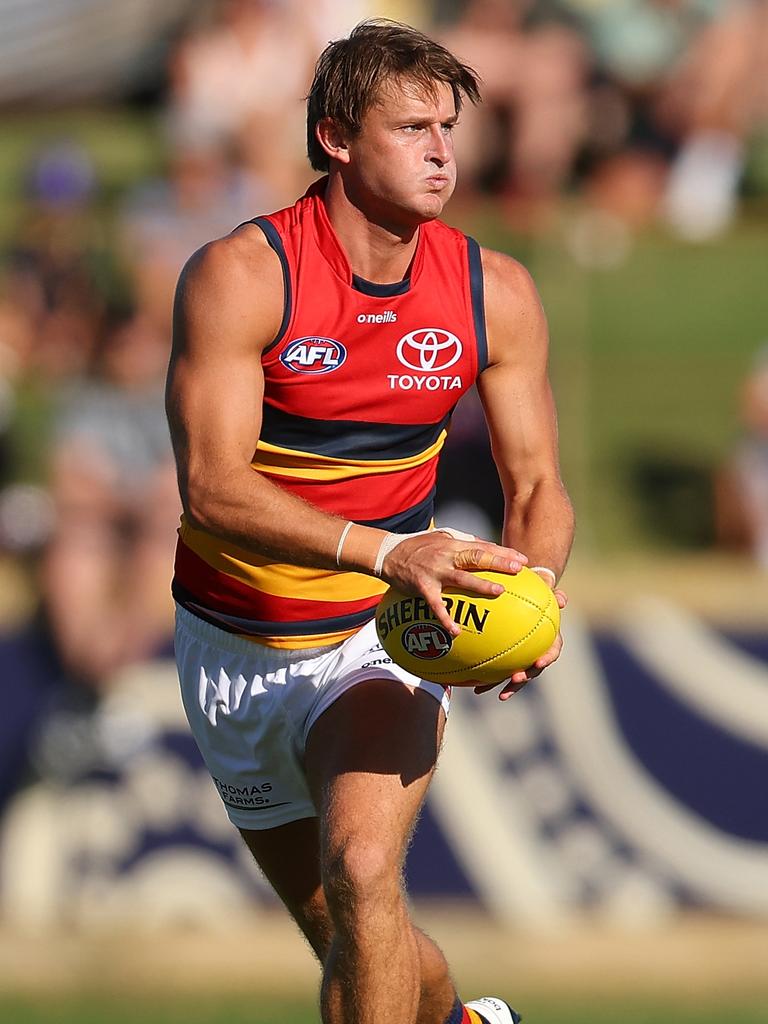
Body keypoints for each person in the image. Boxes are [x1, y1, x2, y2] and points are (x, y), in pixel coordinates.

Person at [166, 19, 574, 1024]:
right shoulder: (245, 274)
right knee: (356, 929)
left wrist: (535, 592)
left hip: (378, 634)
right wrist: (396, 548)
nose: (443, 151)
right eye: (412, 128)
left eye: (450, 127)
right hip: (232, 645)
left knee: (361, 864)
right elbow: (211, 487)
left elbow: (539, 488)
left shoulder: (496, 290)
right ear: (338, 137)